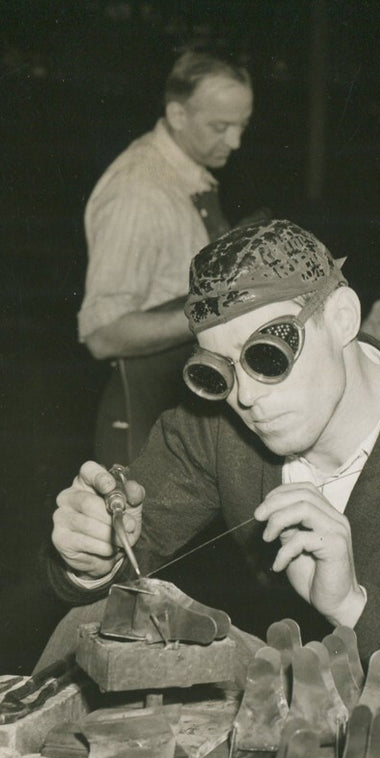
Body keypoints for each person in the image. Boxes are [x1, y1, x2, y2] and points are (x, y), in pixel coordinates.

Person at [49, 218, 380, 719]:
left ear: (341, 317)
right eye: (217, 372)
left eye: (267, 357)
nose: (245, 397)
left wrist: (355, 606)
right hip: (285, 710)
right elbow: (101, 575)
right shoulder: (213, 427)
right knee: (85, 623)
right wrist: (88, 555)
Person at [79, 50, 254, 465]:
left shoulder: (185, 173)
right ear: (177, 114)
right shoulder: (138, 192)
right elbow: (102, 334)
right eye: (220, 127)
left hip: (178, 410)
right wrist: (217, 309)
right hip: (144, 420)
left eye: (243, 126)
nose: (235, 142)